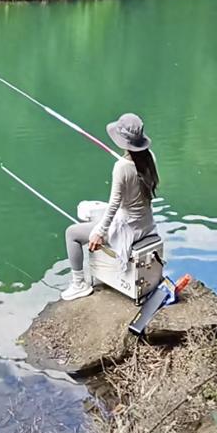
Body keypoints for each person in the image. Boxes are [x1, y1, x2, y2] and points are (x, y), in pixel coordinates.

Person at [62, 112, 159, 301]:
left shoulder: (121, 167)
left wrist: (99, 232)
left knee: (72, 233)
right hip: (146, 224)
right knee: (97, 216)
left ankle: (79, 283)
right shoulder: (150, 158)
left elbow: (114, 205)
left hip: (128, 229)